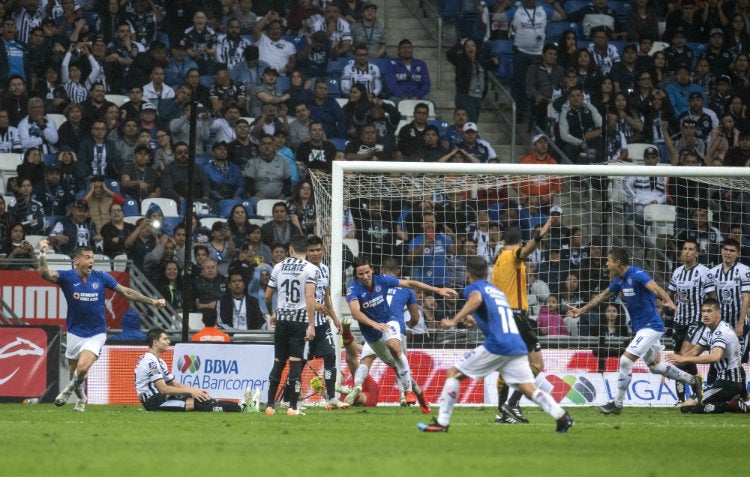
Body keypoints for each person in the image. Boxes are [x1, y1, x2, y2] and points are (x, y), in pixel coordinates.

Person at [418, 256, 574, 433]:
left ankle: (442, 423)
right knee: (528, 388)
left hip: (498, 345)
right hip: (516, 343)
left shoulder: (473, 288)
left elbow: (476, 299)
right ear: (486, 273)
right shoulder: (497, 291)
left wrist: (454, 320)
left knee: (453, 374)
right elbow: (498, 318)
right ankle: (561, 416)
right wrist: (475, 321)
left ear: (468, 274)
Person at [567, 247, 703, 414]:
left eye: (608, 261)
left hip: (651, 326)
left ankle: (617, 403)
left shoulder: (637, 274)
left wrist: (668, 301)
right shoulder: (620, 280)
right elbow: (602, 296)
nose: (606, 264)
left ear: (617, 262)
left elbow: (657, 289)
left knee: (625, 361)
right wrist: (581, 310)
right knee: (656, 367)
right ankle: (693, 380)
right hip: (641, 329)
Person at [39, 240, 166, 412]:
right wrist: (42, 254)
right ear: (77, 260)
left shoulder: (101, 277)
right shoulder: (68, 277)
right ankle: (82, 397)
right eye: (87, 257)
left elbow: (126, 291)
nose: (91, 261)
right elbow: (45, 274)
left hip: (96, 333)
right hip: (74, 332)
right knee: (75, 372)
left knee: (83, 367)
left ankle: (68, 390)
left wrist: (151, 301)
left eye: (92, 257)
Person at [345, 256, 457, 412]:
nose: (365, 277)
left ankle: (407, 391)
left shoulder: (382, 280)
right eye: (360, 274)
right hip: (372, 332)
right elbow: (355, 313)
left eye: (367, 272)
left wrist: (437, 290)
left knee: (395, 347)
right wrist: (374, 324)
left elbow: (410, 283)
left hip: (389, 322)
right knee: (385, 364)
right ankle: (418, 392)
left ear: (372, 270)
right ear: (356, 275)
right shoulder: (353, 288)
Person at [491, 220, 551, 423]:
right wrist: (539, 236)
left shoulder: (498, 260)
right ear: (520, 242)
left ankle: (502, 413)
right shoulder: (512, 256)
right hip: (516, 316)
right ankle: (513, 403)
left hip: (501, 319)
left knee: (509, 368)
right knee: (536, 363)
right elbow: (523, 252)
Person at [135, 328, 253, 412]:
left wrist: (196, 390)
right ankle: (241, 408)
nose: (169, 342)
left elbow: (174, 383)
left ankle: (241, 405)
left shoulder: (158, 361)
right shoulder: (151, 361)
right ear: (155, 342)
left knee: (202, 398)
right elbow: (164, 389)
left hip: (160, 398)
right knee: (196, 404)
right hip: (154, 402)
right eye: (165, 339)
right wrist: (190, 392)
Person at [264, 236, 319, 416]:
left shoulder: (278, 266)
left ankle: (270, 405)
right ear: (306, 250)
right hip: (299, 320)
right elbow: (310, 298)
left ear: (291, 250)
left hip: (282, 319)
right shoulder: (311, 268)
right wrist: (311, 324)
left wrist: (272, 313)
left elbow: (267, 295)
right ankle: (293, 407)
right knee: (295, 363)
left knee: (278, 361)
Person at [669, 298, 749, 414]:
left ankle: (731, 405)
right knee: (686, 406)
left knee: (691, 408)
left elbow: (715, 357)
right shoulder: (709, 330)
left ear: (718, 313)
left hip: (729, 382)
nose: (705, 314)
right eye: (703, 311)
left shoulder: (721, 331)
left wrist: (684, 358)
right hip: (721, 380)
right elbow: (694, 351)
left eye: (709, 311)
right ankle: (732, 403)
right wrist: (671, 366)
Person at [668, 238, 717, 401]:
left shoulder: (704, 272)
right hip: (679, 321)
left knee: (683, 356)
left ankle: (670, 374)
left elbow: (711, 297)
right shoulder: (677, 272)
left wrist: (712, 318)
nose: (687, 252)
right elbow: (671, 295)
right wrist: (665, 305)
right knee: (683, 359)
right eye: (684, 249)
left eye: (691, 249)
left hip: (696, 321)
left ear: (696, 253)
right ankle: (684, 398)